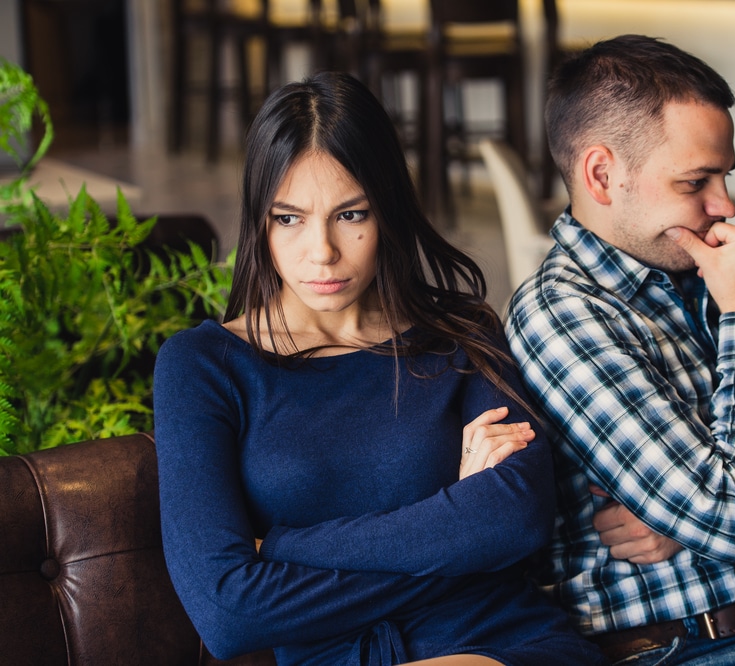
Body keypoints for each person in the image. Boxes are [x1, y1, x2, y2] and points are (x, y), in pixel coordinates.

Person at [153, 71, 608, 666]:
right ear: (259, 220)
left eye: (351, 214)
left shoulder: (459, 332)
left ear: (388, 209)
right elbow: (228, 612)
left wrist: (290, 548)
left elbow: (517, 520)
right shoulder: (203, 366)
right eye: (288, 218)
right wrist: (457, 533)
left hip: (506, 642)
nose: (321, 252)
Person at [504, 35, 735, 666]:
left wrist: (685, 531)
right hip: (689, 650)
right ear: (602, 174)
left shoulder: (696, 274)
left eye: (724, 175)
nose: (726, 206)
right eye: (696, 181)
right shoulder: (563, 314)